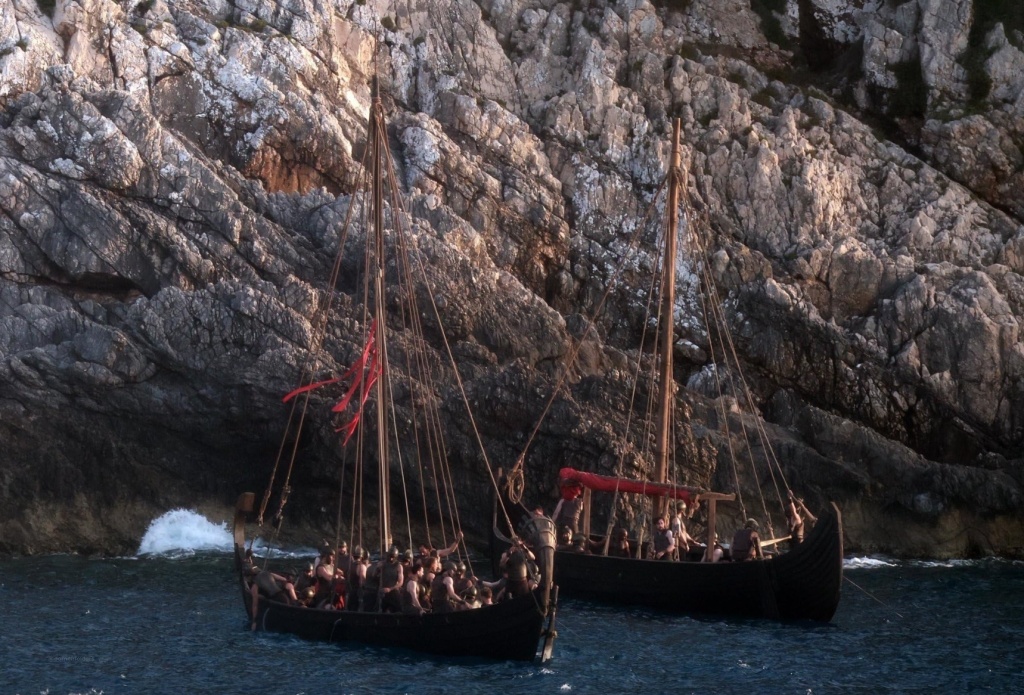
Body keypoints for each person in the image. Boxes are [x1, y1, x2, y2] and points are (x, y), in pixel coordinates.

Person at [378, 546, 404, 613]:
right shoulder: (383, 564)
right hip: (384, 592)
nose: (391, 559)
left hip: (393, 592)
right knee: (383, 611)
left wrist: (390, 589)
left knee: (398, 611)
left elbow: (400, 582)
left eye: (393, 557)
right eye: (390, 556)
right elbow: (375, 576)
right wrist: (377, 568)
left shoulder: (398, 566)